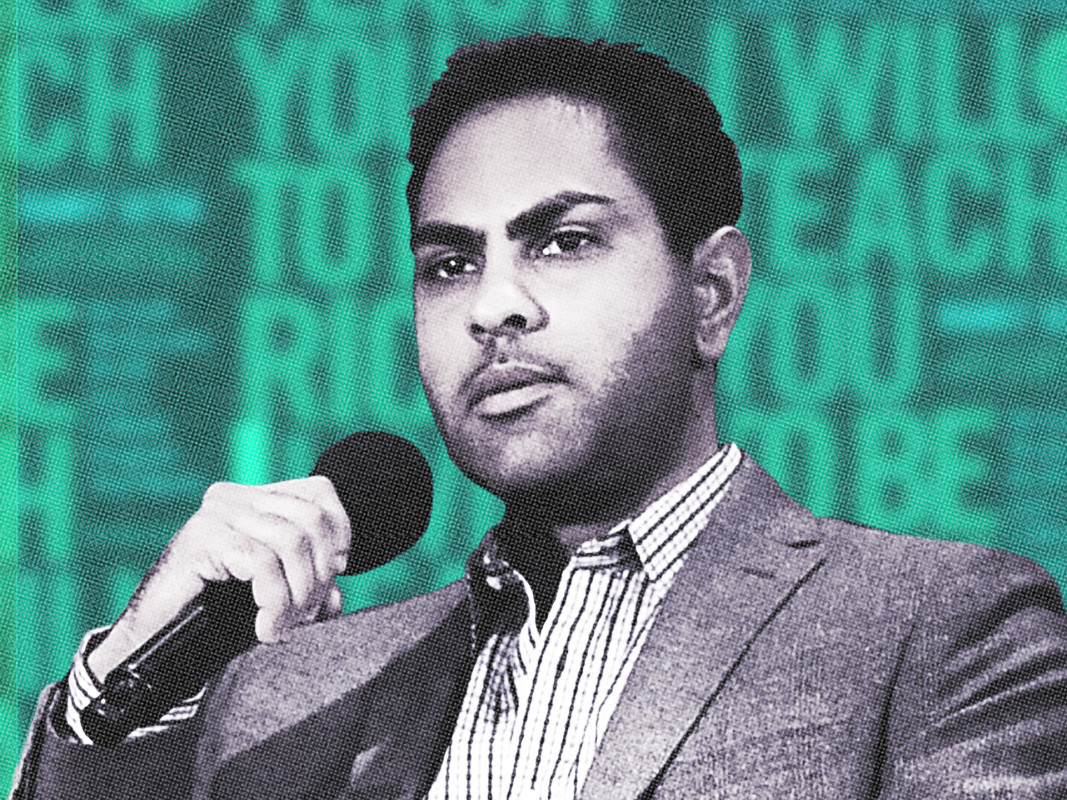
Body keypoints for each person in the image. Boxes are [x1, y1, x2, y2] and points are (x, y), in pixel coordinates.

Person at [13, 34, 1067, 800]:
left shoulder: (940, 626)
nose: (493, 305)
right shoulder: (286, 698)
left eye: (562, 241)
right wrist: (122, 688)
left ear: (711, 294)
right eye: (449, 263)